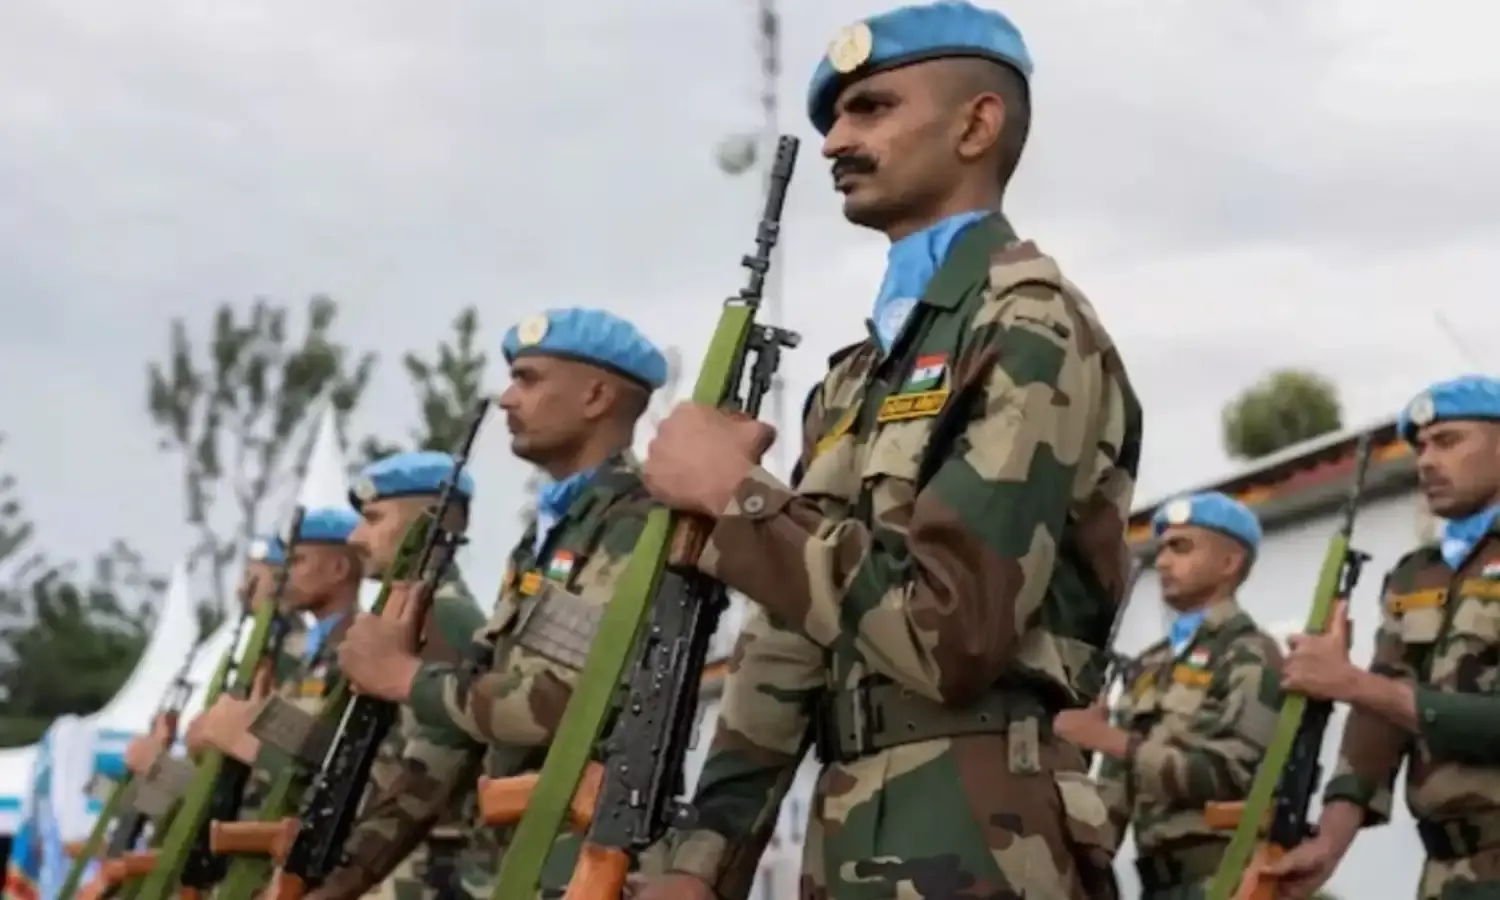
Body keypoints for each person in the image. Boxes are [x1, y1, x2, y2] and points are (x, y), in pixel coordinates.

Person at [635, 2, 1143, 897]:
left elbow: (954, 636)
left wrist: (738, 498)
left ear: (976, 126)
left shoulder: (1029, 325)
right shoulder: (859, 375)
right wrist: (703, 863)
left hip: (978, 827)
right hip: (850, 824)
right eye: (834, 118)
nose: (834, 141)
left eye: (871, 108)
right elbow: (788, 644)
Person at [316, 308, 665, 900]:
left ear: (596, 396)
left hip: (586, 862)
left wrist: (404, 676)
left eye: (528, 379)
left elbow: (558, 702)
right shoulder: (555, 533)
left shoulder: (635, 524)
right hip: (521, 860)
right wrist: (349, 874)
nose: (506, 399)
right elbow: (458, 737)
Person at [1268, 374, 1500, 900]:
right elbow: (1379, 716)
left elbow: (1371, 691)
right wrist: (1329, 843)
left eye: (1448, 441)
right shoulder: (1417, 574)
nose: (1427, 462)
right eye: (1422, 447)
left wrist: (1350, 682)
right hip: (1448, 871)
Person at [1060, 492, 1282, 899]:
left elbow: (1231, 773)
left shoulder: (1250, 654)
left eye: (1181, 548)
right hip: (1157, 885)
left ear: (1229, 563)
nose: (1162, 562)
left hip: (1229, 880)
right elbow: (1114, 797)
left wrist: (1113, 740)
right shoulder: (1150, 663)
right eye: (1161, 550)